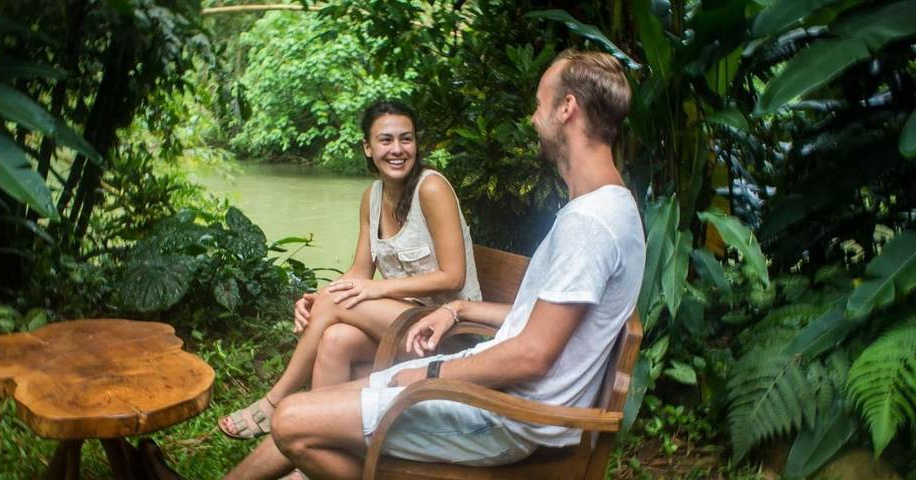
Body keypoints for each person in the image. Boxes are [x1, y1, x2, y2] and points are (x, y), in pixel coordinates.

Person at [223, 49, 646, 480]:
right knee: (315, 408)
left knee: (291, 421)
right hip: (494, 395)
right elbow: (538, 325)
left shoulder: (589, 224)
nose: (534, 119)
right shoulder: (610, 208)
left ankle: (281, 412)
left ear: (567, 108)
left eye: (539, 105)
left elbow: (532, 355)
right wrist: (457, 309)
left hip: (503, 417)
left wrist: (431, 373)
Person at [219, 100, 482, 440]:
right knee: (335, 340)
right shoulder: (372, 197)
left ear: (417, 144)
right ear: (367, 148)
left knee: (336, 304)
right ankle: (315, 448)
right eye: (386, 140)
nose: (397, 149)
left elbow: (453, 276)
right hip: (405, 323)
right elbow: (359, 272)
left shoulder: (431, 188)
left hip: (449, 332)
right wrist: (316, 299)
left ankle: (275, 401)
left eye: (406, 139)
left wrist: (377, 288)